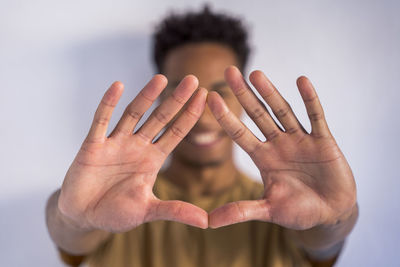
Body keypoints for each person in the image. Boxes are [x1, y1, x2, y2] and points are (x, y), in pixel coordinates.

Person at [46, 6, 358, 267]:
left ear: (244, 100)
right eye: (186, 94)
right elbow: (71, 235)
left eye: (221, 93)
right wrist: (73, 219)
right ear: (161, 98)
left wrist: (334, 219)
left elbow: (322, 244)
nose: (204, 114)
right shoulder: (115, 199)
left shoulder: (284, 202)